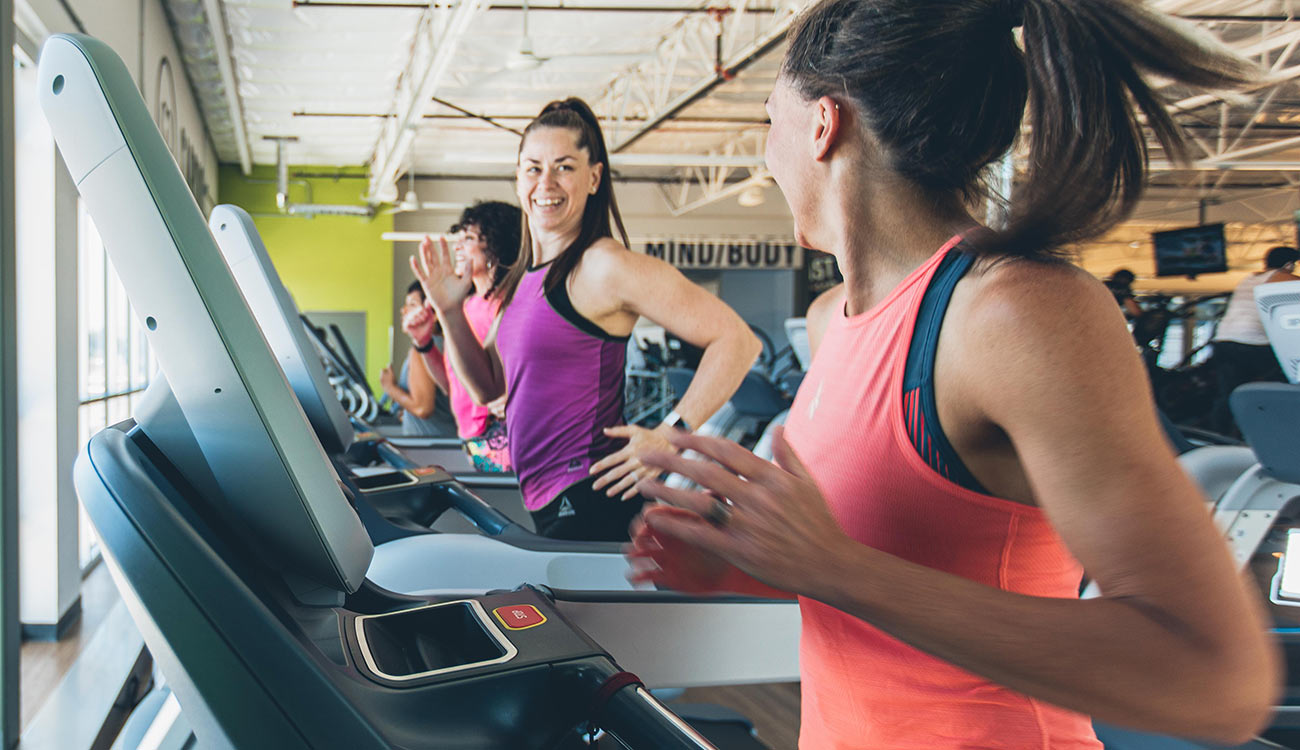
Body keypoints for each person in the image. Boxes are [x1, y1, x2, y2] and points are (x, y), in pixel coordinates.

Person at [626, 1, 1278, 748]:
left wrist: (835, 568)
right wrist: (746, 565)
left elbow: (1217, 681)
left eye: (770, 123)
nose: (765, 159)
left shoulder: (1010, 314)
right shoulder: (834, 318)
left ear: (821, 125)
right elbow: (894, 572)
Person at [412, 97, 760, 541]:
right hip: (545, 500)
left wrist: (671, 434)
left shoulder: (603, 266)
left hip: (593, 498)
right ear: (518, 178)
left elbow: (736, 340)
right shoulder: (523, 278)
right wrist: (449, 312)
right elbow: (489, 388)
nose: (547, 183)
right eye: (533, 168)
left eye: (565, 167)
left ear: (594, 177)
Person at [404, 202, 522, 471]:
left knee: (499, 509)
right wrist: (424, 345)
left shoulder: (509, 307)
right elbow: (453, 385)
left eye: (468, 238)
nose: (458, 246)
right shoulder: (466, 307)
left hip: (502, 438)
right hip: (473, 439)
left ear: (496, 245)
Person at [1209, 245, 1300, 436]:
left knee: (1229, 393)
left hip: (1224, 340)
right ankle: (1274, 428)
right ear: (1289, 264)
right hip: (1249, 344)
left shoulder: (1249, 279)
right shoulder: (1280, 276)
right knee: (1286, 381)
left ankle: (1219, 435)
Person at [379, 281, 445, 436]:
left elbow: (423, 408)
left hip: (432, 448)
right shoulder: (446, 344)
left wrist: (390, 388)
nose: (404, 310)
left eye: (412, 305)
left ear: (433, 313)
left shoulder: (423, 350)